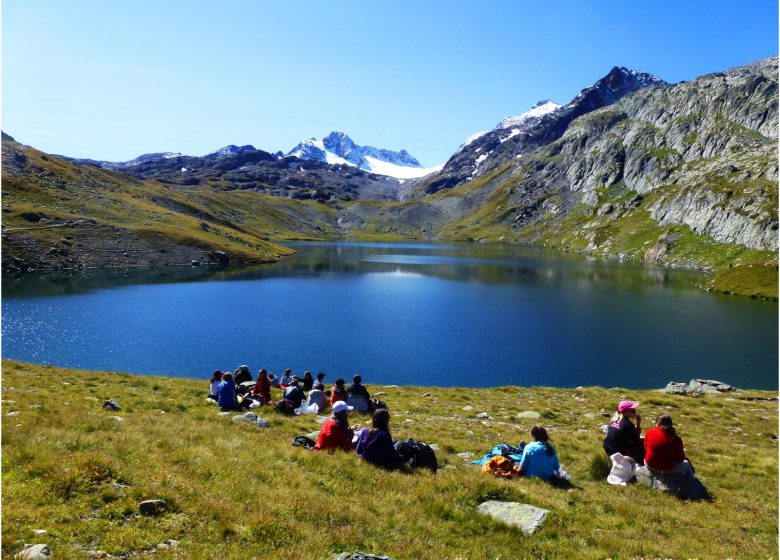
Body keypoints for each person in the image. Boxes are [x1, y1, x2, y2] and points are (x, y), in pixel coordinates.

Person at [603, 400, 644, 464]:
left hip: (608, 449)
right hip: (619, 453)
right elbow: (636, 439)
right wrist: (638, 425)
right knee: (642, 444)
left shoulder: (615, 420)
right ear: (625, 412)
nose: (635, 412)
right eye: (633, 411)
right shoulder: (628, 425)